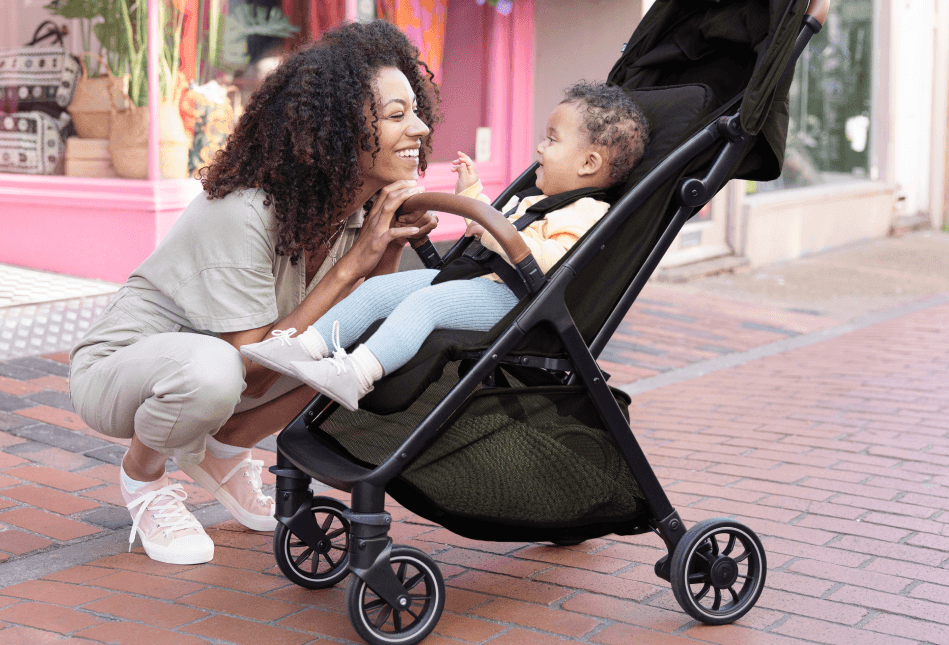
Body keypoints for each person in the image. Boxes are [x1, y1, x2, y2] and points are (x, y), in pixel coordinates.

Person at [68, 21, 439, 565]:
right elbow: (255, 366)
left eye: (417, 111)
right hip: (121, 371)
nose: (421, 128)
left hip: (227, 370)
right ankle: (143, 481)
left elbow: (363, 323)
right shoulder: (245, 211)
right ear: (338, 128)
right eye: (397, 115)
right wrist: (350, 267)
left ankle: (225, 447)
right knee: (213, 371)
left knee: (373, 354)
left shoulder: (357, 210)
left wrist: (385, 248)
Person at [242, 82, 648, 410]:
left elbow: (550, 263)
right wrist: (472, 193)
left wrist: (498, 231)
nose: (539, 148)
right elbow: (485, 227)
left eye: (552, 140)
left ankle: (357, 375)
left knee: (425, 305)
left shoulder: (586, 214)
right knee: (381, 288)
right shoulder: (535, 201)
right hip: (483, 281)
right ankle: (303, 347)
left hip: (516, 300)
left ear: (589, 164)